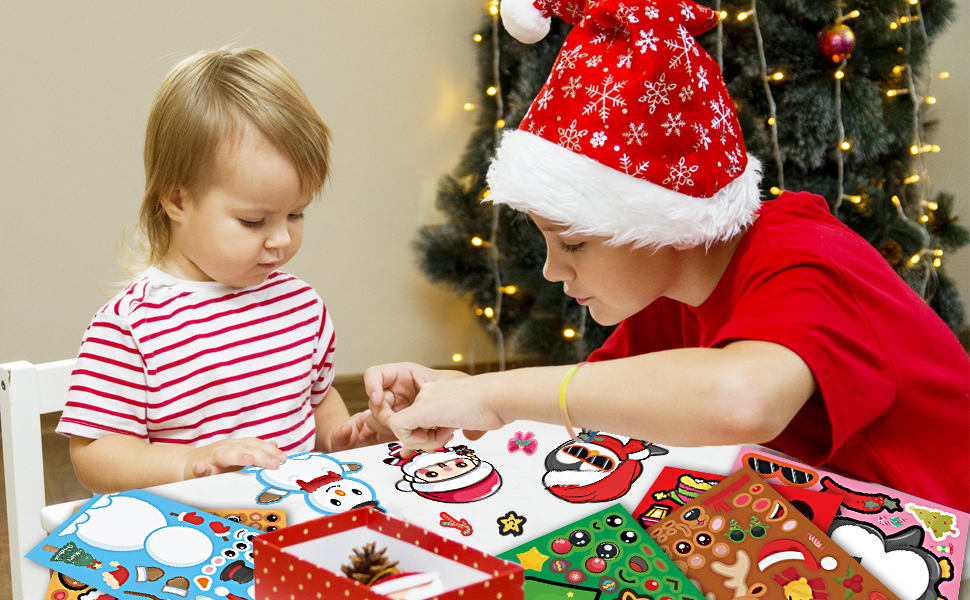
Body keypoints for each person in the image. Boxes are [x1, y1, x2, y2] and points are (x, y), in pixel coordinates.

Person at [364, 0, 970, 512]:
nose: (553, 270)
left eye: (572, 241)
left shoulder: (804, 256)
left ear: (659, 217)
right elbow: (588, 410)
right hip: (825, 531)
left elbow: (742, 398)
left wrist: (501, 391)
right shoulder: (668, 288)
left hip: (934, 546)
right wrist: (453, 401)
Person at [57, 47, 375, 494]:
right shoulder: (134, 325)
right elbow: (95, 457)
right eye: (253, 221)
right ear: (178, 200)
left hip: (293, 526)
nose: (281, 239)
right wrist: (191, 461)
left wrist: (339, 435)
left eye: (296, 215)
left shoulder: (302, 306)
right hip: (189, 543)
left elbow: (319, 403)